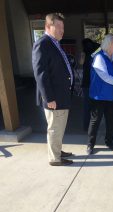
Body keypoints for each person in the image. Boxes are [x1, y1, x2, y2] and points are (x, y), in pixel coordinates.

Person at [32, 13, 74, 166]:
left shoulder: (54, 43)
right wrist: (49, 98)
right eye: (58, 27)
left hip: (60, 95)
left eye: (63, 27)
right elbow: (40, 74)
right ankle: (55, 158)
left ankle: (57, 150)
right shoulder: (42, 44)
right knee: (55, 128)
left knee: (59, 126)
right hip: (54, 97)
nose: (62, 30)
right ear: (48, 27)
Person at [80, 38, 100, 131]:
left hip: (87, 83)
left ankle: (86, 127)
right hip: (93, 83)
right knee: (94, 106)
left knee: (87, 106)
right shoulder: (96, 54)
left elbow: (80, 62)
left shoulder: (85, 53)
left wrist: (82, 54)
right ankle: (91, 126)